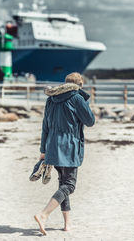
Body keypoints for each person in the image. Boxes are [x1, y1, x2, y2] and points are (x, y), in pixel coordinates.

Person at [34, 72, 95, 235]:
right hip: (69, 146)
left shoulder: (51, 99)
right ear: (79, 85)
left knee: (63, 183)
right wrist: (84, 100)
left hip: (52, 145)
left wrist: (43, 150)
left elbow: (45, 126)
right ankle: (44, 214)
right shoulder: (76, 98)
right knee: (69, 185)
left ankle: (67, 224)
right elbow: (90, 121)